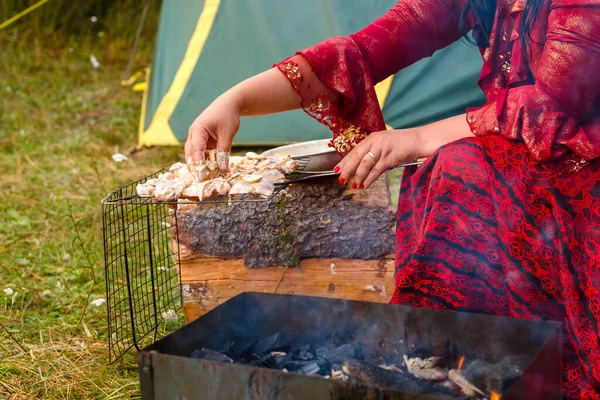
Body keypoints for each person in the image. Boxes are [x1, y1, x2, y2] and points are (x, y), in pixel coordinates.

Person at [185, 0, 600, 396]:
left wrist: (417, 138)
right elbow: (361, 51)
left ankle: (529, 357)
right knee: (450, 167)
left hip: (583, 182)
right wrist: (235, 100)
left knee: (457, 167)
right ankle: (455, 367)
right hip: (526, 164)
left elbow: (549, 104)